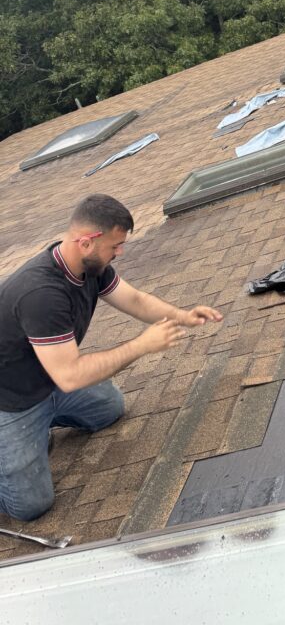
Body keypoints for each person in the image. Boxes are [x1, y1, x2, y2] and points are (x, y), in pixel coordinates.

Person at [0, 194, 223, 522]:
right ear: (86, 242)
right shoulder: (41, 295)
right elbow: (71, 377)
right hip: (12, 403)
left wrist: (182, 316)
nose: (119, 252)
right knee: (31, 506)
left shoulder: (90, 265)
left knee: (109, 407)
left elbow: (134, 299)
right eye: (114, 246)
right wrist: (142, 345)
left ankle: (42, 426)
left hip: (49, 383)